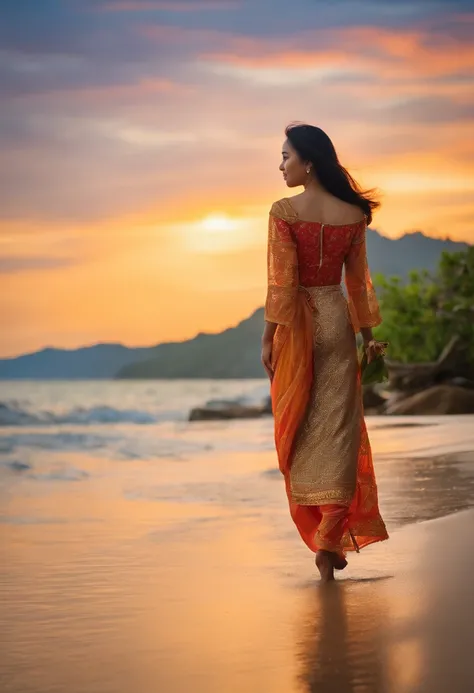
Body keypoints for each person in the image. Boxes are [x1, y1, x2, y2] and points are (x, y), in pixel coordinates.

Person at [261, 123, 389, 582]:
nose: (281, 165)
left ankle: (323, 534)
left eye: (285, 156)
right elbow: (358, 282)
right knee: (340, 426)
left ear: (308, 161)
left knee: (297, 426)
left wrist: (267, 336)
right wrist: (369, 334)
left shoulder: (283, 211)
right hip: (337, 323)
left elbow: (282, 283)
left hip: (297, 328)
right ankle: (329, 536)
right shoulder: (353, 215)